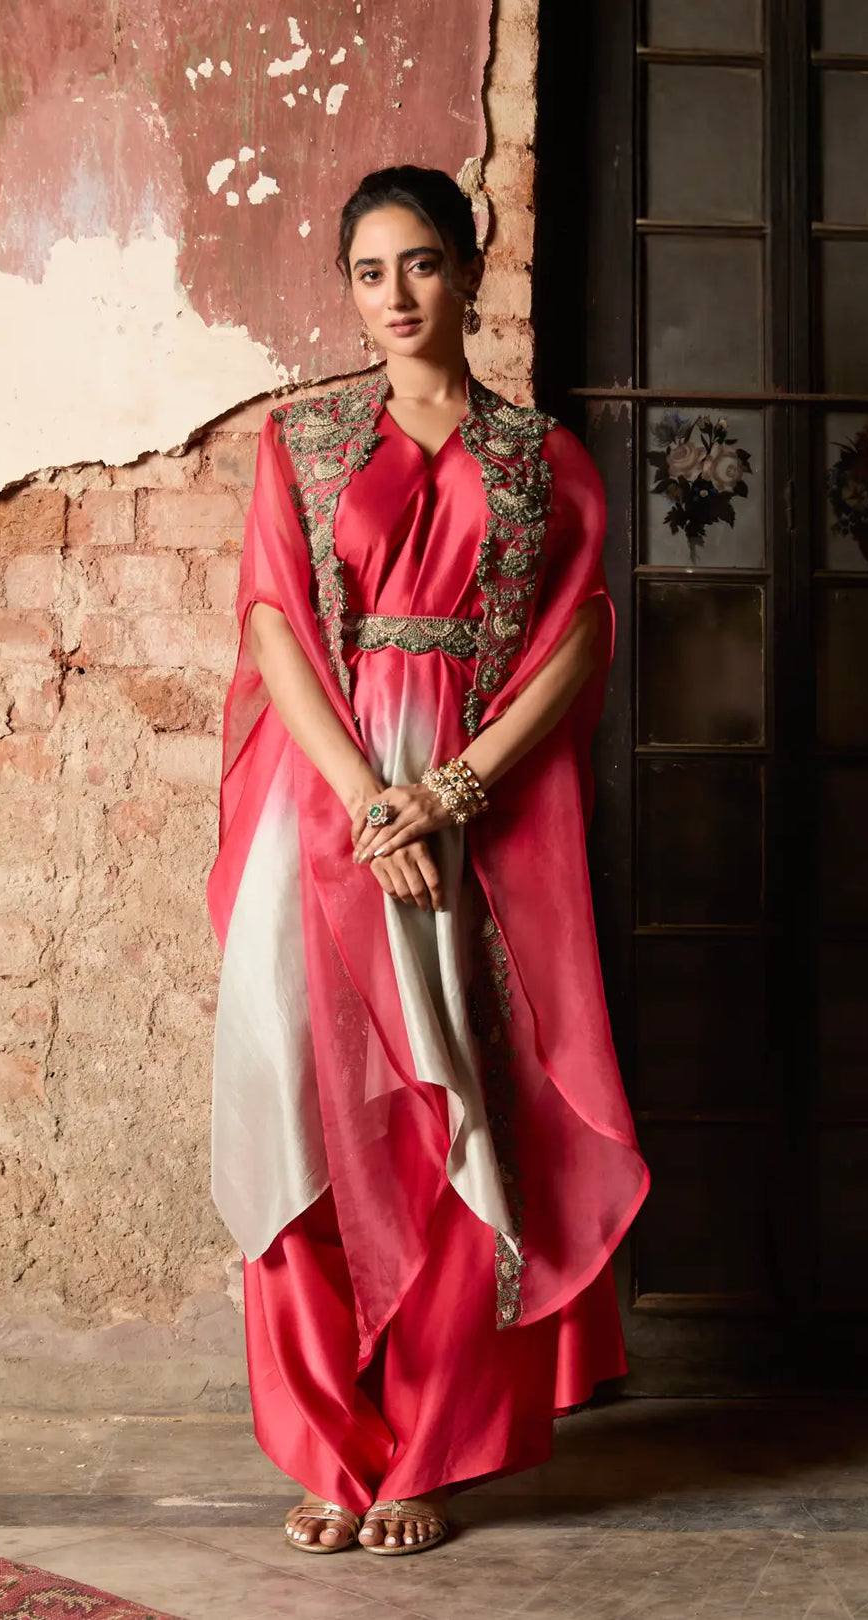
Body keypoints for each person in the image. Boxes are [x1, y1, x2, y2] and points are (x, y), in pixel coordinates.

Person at [206, 165, 649, 1557]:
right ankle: (331, 1447)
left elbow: (578, 642)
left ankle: (430, 1453)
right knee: (296, 1097)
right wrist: (362, 802)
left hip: (471, 817)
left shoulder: (542, 459)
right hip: (322, 804)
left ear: (471, 268)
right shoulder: (304, 439)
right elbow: (278, 625)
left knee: (451, 1101)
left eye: (422, 267)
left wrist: (449, 795)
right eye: (369, 273)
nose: (395, 298)